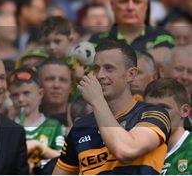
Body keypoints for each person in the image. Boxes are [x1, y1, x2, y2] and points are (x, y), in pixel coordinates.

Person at [54, 40, 171, 174]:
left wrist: (97, 101)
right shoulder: (81, 126)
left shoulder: (154, 114)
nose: (100, 75)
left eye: (109, 68)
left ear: (131, 74)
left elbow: (127, 150)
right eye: (96, 68)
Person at [90, 0, 175, 52]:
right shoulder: (97, 41)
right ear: (112, 5)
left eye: (136, 1)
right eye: (123, 1)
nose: (130, 7)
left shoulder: (163, 38)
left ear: (146, 6)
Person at [8, 67, 64, 173]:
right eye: (15, 95)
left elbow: (65, 159)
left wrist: (40, 148)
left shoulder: (54, 125)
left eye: (26, 93)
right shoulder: (8, 127)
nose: (20, 99)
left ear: (40, 94)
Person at [144, 78, 192, 175]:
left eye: (163, 108)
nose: (155, 115)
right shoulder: (138, 152)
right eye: (149, 108)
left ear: (185, 111)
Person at [38, 58, 74, 126]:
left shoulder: (83, 118)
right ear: (39, 85)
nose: (56, 85)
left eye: (63, 80)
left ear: (71, 88)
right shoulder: (24, 117)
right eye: (50, 79)